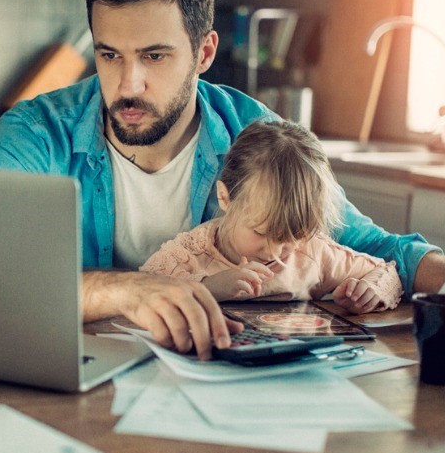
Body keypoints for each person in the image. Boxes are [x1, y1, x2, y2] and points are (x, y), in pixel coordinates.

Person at [0, 0, 445, 359]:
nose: (128, 85)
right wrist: (129, 291)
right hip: (76, 375)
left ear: (204, 54)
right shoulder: (33, 135)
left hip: (218, 383)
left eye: (154, 56)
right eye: (110, 55)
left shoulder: (254, 133)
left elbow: (367, 241)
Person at [141, 120, 403, 313]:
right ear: (225, 198)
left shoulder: (312, 253)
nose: (276, 251)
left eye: (292, 235)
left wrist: (368, 293)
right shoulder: (189, 255)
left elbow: (384, 272)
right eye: (262, 233)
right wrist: (209, 287)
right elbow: (140, 292)